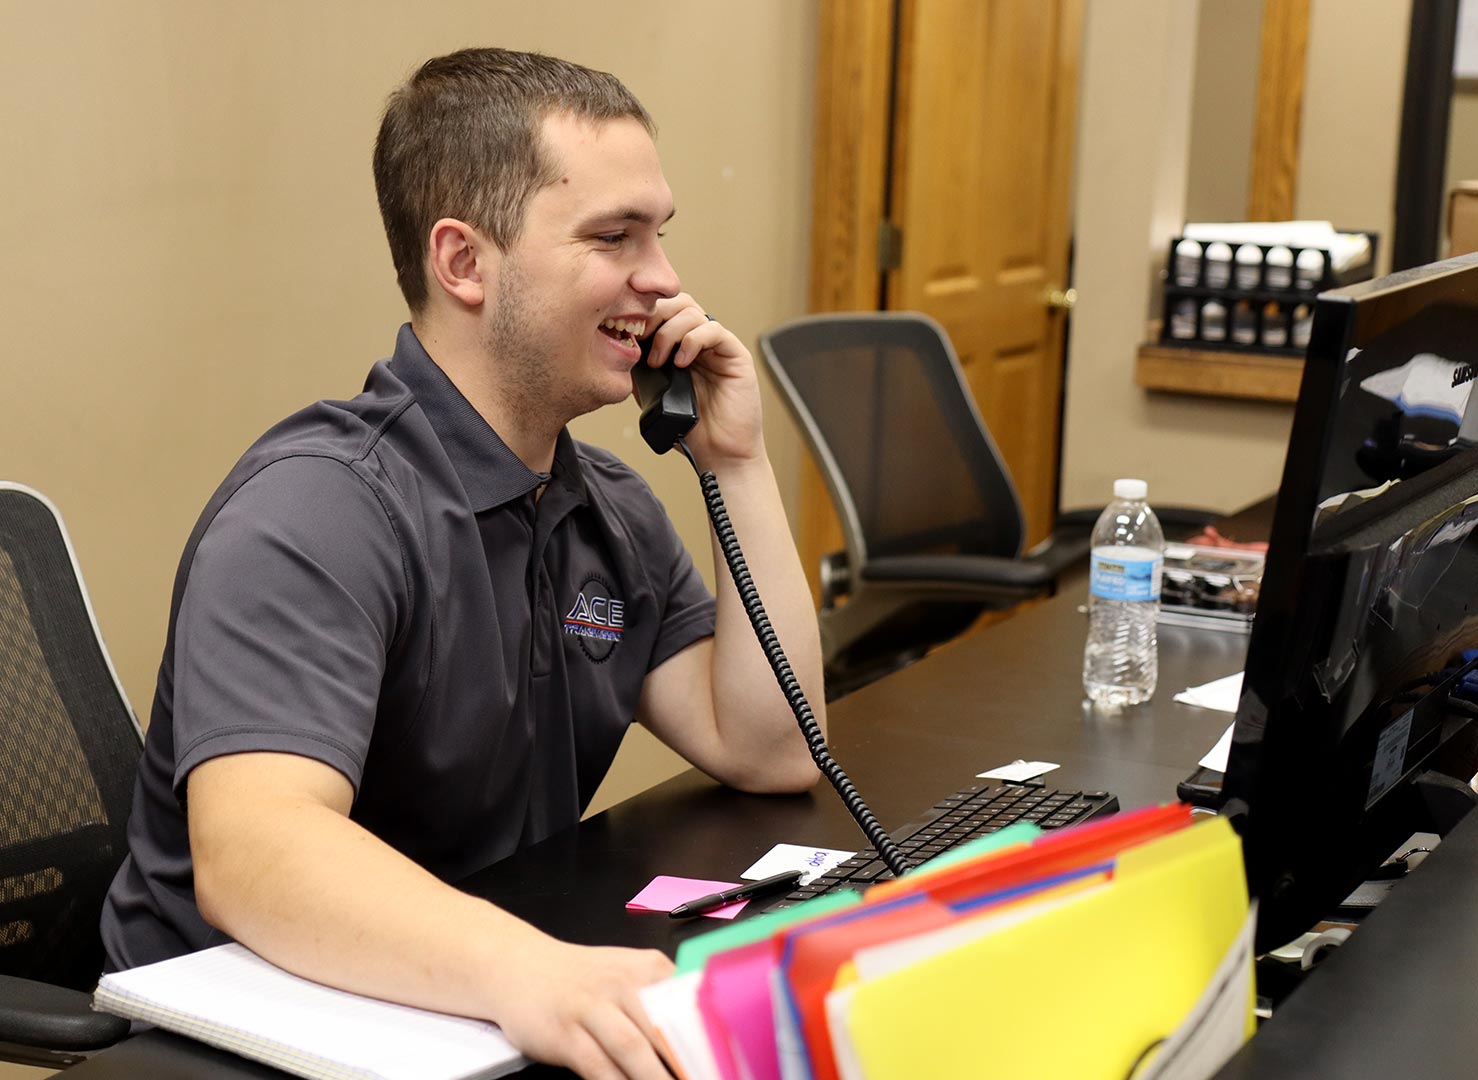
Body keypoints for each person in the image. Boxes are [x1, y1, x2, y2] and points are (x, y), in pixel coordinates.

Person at [100, 47, 824, 1080]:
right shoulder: (318, 509)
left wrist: (739, 465)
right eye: (613, 237)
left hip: (456, 999)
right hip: (234, 1038)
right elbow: (253, 854)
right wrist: (528, 972)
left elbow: (769, 748)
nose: (661, 278)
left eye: (659, 234)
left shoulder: (605, 507)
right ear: (463, 263)